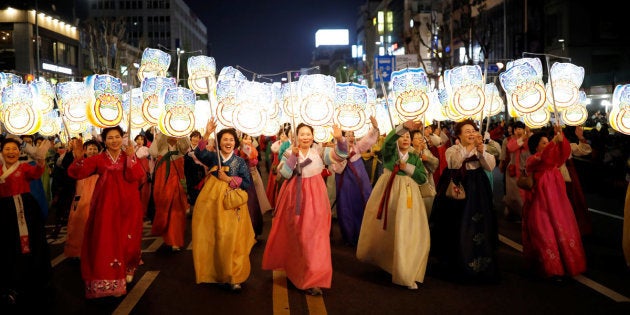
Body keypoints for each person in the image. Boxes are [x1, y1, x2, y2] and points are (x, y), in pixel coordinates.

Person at [262, 123, 347, 296]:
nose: (305, 137)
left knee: (316, 238)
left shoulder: (320, 152)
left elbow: (341, 155)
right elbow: (284, 174)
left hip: (316, 200)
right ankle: (297, 271)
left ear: (313, 135)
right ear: (296, 136)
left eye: (308, 134)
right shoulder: (289, 152)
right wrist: (293, 157)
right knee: (298, 237)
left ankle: (314, 279)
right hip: (295, 198)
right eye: (302, 134)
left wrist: (339, 138)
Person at [67, 126, 145, 298]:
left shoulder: (128, 156)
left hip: (129, 206)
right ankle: (111, 281)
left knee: (129, 240)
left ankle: (128, 267)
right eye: (110, 138)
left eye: (117, 137)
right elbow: (76, 172)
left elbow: (137, 175)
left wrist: (132, 156)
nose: (114, 140)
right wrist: (79, 157)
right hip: (105, 208)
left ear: (122, 138)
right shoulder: (98, 159)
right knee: (106, 243)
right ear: (104, 140)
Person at [356, 120, 430, 290]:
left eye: (407, 137)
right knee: (389, 229)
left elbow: (422, 178)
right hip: (389, 193)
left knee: (407, 231)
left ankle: (405, 269)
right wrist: (404, 126)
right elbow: (388, 142)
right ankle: (388, 261)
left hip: (410, 197)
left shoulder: (414, 157)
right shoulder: (390, 153)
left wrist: (408, 168)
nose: (405, 139)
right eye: (402, 136)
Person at [430, 119, 499, 283]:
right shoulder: (453, 149)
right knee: (458, 224)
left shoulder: (480, 149)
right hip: (459, 190)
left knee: (481, 224)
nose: (471, 134)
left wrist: (482, 151)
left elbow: (490, 166)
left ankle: (481, 262)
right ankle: (457, 261)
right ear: (458, 136)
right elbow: (453, 164)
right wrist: (470, 147)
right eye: (467, 131)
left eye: (473, 131)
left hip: (478, 191)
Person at [192, 121, 255, 291]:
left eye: (231, 140)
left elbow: (247, 182)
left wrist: (229, 180)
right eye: (225, 139)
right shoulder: (213, 157)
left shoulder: (240, 161)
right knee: (214, 236)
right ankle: (217, 273)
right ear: (219, 142)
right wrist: (206, 133)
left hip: (232, 203)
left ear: (235, 143)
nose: (228, 142)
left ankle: (234, 275)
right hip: (211, 201)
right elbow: (198, 152)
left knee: (232, 238)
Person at [522, 126, 586, 279]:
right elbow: (544, 156)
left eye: (547, 142)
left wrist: (560, 135)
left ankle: (567, 263)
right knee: (544, 229)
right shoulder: (532, 160)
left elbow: (564, 152)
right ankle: (551, 266)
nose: (547, 144)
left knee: (562, 227)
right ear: (535, 146)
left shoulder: (555, 162)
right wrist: (553, 142)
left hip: (557, 200)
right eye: (543, 143)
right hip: (540, 200)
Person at [0, 137, 52, 308]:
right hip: (5, 212)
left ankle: (30, 280)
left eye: (14, 149)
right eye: (7, 149)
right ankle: (10, 283)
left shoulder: (24, 168)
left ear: (19, 152)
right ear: (2, 152)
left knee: (28, 243)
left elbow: (37, 172)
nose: (11, 152)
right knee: (8, 245)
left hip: (25, 209)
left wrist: (41, 159)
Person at [331, 116, 380, 246]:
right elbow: (337, 162)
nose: (351, 138)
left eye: (352, 135)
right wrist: (341, 146)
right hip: (345, 185)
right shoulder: (336, 151)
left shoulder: (357, 148)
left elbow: (368, 139)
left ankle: (364, 235)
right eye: (347, 135)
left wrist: (374, 127)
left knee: (362, 204)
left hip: (360, 187)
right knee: (346, 206)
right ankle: (349, 235)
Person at [64, 140, 101, 259]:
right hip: (81, 199)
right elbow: (71, 172)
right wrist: (77, 159)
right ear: (85, 150)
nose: (92, 151)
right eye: (90, 148)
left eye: (95, 148)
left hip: (97, 197)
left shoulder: (102, 162)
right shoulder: (80, 162)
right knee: (78, 224)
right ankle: (78, 251)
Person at [239, 133, 272, 237]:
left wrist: (248, 156)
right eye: (245, 139)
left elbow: (254, 161)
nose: (248, 141)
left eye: (249, 139)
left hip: (252, 174)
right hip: (241, 176)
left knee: (254, 197)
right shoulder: (238, 148)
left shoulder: (251, 149)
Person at [503, 121, 530, 222]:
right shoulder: (511, 140)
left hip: (525, 171)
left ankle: (525, 213)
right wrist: (522, 138)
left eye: (520, 128)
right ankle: (514, 212)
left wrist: (526, 137)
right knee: (513, 193)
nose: (518, 131)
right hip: (513, 171)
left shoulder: (528, 140)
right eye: (516, 129)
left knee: (524, 194)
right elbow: (511, 148)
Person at [411, 129, 439, 215]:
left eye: (421, 137)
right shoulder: (410, 151)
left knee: (428, 204)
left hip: (428, 180)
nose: (420, 139)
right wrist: (418, 152)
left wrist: (427, 159)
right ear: (411, 141)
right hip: (415, 183)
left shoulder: (426, 151)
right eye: (417, 138)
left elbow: (436, 162)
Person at [183, 130, 208, 217]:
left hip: (199, 173)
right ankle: (191, 209)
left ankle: (198, 211)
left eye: (198, 137)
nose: (196, 139)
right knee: (189, 190)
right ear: (190, 138)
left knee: (199, 190)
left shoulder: (202, 149)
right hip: (188, 173)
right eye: (194, 136)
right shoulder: (185, 148)